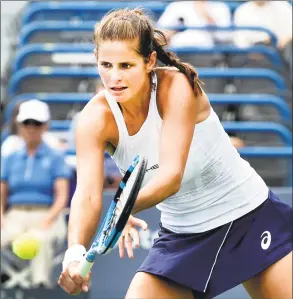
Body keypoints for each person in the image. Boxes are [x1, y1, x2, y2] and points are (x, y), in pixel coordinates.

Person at [58, 8, 292, 299]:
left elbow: (171, 177)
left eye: (126, 65)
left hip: (249, 215)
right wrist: (74, 254)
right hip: (182, 236)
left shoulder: (176, 86)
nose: (114, 77)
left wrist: (124, 208)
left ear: (149, 61)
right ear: (96, 60)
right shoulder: (93, 120)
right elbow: (88, 195)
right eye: (106, 64)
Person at [1, 99, 72, 288]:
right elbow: (2, 192)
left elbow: (62, 197)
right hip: (14, 215)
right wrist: (1, 217)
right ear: (19, 125)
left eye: (37, 123)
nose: (31, 128)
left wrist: (47, 220)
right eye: (27, 123)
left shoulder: (56, 156)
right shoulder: (10, 156)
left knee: (42, 240)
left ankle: (39, 287)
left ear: (45, 125)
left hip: (47, 214)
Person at [157, 0, 232, 47]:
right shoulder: (176, 6)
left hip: (206, 52)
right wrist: (172, 32)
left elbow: (225, 37)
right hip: (178, 51)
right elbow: (159, 34)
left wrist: (206, 16)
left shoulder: (220, 7)